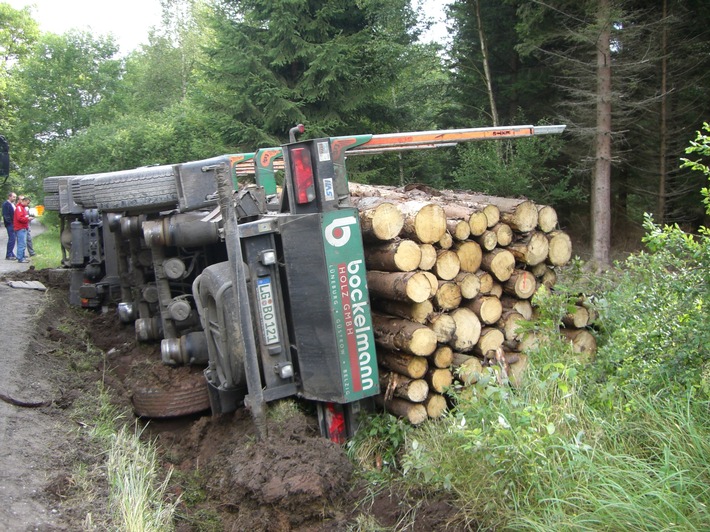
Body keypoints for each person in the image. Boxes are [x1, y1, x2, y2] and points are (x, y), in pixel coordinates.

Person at [13, 195, 32, 263]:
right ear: (23, 201)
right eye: (27, 203)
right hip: (20, 228)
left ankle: (22, 257)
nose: (28, 204)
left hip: (23, 227)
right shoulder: (19, 208)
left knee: (23, 243)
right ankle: (20, 258)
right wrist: (28, 218)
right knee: (21, 243)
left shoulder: (23, 208)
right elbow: (20, 218)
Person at [2, 191, 17, 260]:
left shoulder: (12, 204)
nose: (15, 198)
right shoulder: (6, 204)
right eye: (13, 197)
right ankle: (8, 255)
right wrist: (11, 223)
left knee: (13, 239)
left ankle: (11, 253)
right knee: (12, 239)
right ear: (9, 197)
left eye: (15, 197)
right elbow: (6, 215)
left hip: (13, 224)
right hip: (10, 224)